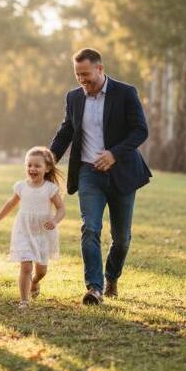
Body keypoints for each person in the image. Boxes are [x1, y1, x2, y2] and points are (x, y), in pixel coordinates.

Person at [49, 48, 151, 305]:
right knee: (90, 228)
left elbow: (140, 131)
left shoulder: (125, 93)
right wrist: (48, 160)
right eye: (78, 74)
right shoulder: (74, 97)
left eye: (86, 74)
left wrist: (114, 154)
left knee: (122, 238)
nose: (82, 79)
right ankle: (94, 288)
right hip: (88, 173)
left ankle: (111, 277)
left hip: (122, 173)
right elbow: (66, 131)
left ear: (100, 69)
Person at [0, 147, 65, 309]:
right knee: (26, 266)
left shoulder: (50, 188)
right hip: (24, 231)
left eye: (37, 166)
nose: (32, 169)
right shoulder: (21, 186)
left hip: (43, 232)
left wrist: (55, 220)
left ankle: (35, 281)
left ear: (47, 168)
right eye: (29, 165)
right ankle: (24, 300)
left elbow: (61, 209)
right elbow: (10, 204)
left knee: (41, 271)